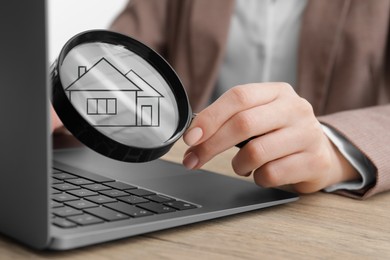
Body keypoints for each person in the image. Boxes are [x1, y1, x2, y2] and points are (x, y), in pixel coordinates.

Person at [52, 0, 390, 199]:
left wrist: (333, 148)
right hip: (183, 188)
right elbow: (119, 55)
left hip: (324, 209)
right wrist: (61, 97)